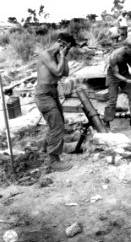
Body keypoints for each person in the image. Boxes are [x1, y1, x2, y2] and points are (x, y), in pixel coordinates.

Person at [35, 32, 77, 172]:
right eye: (67, 47)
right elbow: (58, 73)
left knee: (57, 122)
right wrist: (63, 55)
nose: (67, 50)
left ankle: (44, 147)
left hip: (52, 92)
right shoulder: (45, 54)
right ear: (61, 43)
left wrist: (63, 56)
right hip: (44, 94)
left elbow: (65, 73)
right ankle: (54, 160)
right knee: (57, 125)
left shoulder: (56, 56)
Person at [103, 38, 131, 132]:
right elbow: (116, 74)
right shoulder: (115, 56)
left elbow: (130, 61)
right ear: (126, 48)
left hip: (125, 72)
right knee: (112, 100)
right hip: (113, 76)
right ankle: (107, 122)